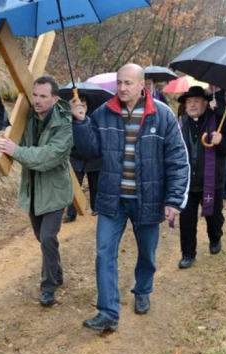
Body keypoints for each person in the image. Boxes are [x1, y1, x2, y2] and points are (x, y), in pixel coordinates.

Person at [70, 64, 190, 331]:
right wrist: (80, 122)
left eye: (128, 83)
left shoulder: (163, 116)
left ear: (142, 85)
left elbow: (178, 161)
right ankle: (108, 312)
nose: (122, 88)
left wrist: (173, 200)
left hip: (148, 199)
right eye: (119, 83)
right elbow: (90, 151)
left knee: (146, 251)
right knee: (104, 253)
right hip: (112, 198)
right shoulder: (103, 113)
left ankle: (143, 290)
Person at [0, 76, 73, 307]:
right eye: (35, 95)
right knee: (43, 238)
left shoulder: (65, 125)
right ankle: (57, 273)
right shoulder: (25, 117)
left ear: (54, 98)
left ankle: (48, 287)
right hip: (33, 191)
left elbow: (48, 157)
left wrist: (15, 150)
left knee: (48, 237)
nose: (37, 100)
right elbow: (10, 142)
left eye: (43, 96)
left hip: (55, 192)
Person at [176, 86, 226, 269]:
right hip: (187, 182)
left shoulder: (218, 121)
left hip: (212, 181)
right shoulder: (180, 124)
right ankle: (188, 253)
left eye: (196, 101)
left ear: (205, 103)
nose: (192, 105)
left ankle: (215, 237)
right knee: (186, 221)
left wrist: (222, 141)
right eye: (189, 102)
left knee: (214, 216)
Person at [63, 94, 100, 222]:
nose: (81, 107)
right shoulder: (67, 119)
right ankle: (71, 213)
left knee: (95, 184)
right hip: (75, 158)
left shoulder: (94, 117)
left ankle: (96, 207)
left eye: (83, 104)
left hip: (93, 159)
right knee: (73, 185)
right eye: (78, 104)